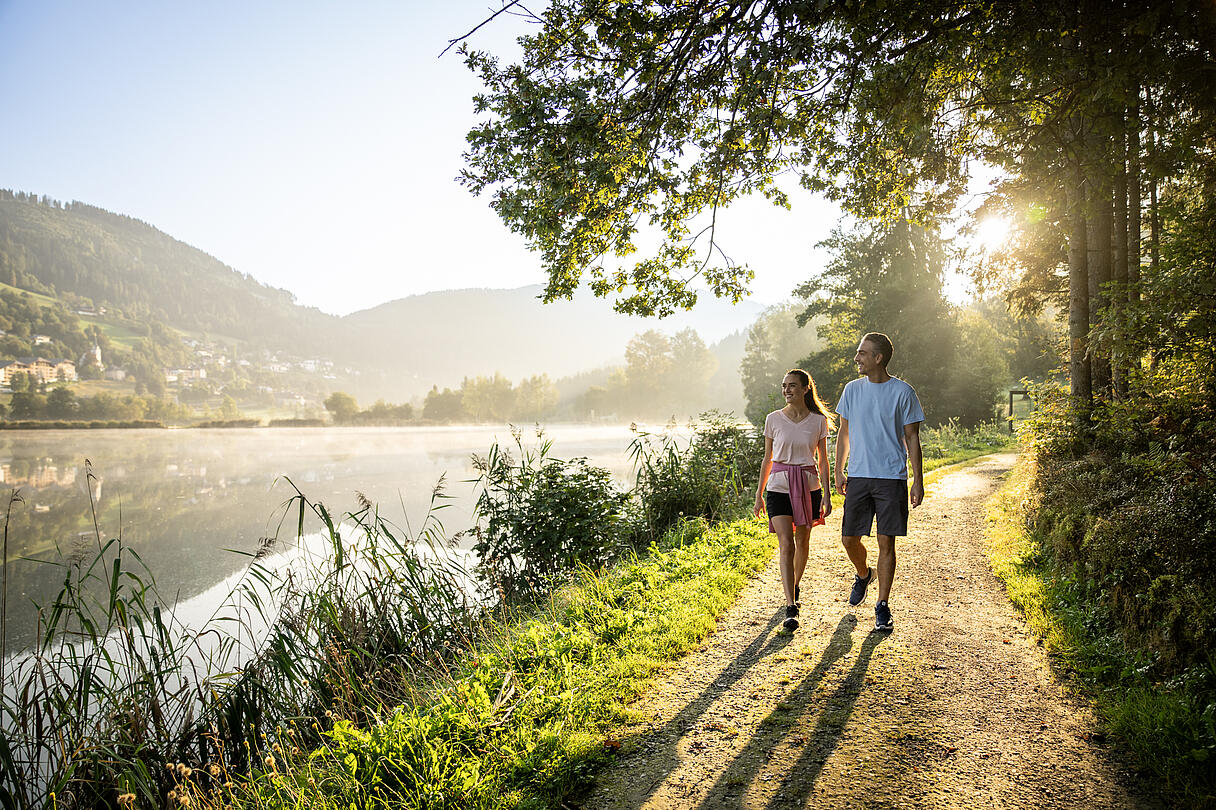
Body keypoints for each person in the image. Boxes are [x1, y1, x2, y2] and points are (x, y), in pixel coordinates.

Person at [833, 332, 924, 632]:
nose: (857, 358)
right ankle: (863, 574)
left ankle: (882, 605)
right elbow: (843, 435)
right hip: (858, 475)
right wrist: (838, 470)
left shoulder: (903, 392)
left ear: (878, 358)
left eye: (862, 353)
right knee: (849, 538)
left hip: (891, 477)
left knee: (887, 542)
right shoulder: (851, 390)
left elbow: (912, 438)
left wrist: (917, 480)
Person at [754, 369, 834, 631]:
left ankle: (795, 585)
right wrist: (758, 495)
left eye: (792, 386)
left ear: (805, 388)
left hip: (809, 487)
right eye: (784, 386)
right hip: (778, 487)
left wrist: (827, 493)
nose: (787, 390)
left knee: (803, 539)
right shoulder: (773, 419)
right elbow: (767, 459)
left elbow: (823, 461)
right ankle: (790, 605)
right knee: (786, 544)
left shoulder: (818, 421)